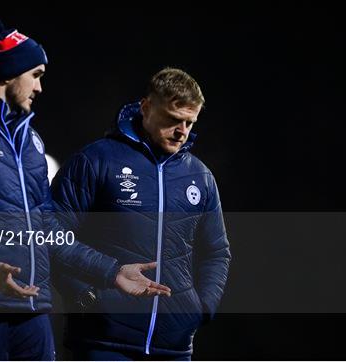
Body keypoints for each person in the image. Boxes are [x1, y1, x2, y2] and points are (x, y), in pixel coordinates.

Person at [0, 16, 170, 361]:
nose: (39, 88)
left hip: (29, 306)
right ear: (7, 72)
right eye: (36, 75)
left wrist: (112, 272)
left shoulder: (29, 141)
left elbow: (47, 228)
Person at [51, 67, 231, 360]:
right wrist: (86, 298)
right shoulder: (95, 160)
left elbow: (216, 251)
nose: (182, 131)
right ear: (146, 108)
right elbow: (52, 235)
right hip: (103, 342)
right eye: (174, 120)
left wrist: (201, 308)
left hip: (173, 347)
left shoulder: (200, 176)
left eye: (189, 122)